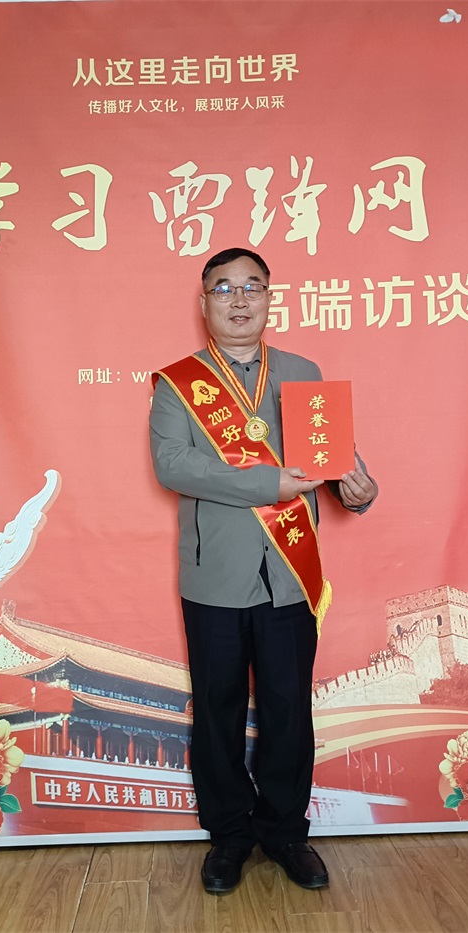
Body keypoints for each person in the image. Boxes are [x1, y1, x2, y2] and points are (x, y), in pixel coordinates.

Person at [149, 247, 376, 895]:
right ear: (205, 303)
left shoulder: (303, 372)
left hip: (290, 573)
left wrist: (358, 488)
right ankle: (228, 836)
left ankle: (285, 832)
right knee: (217, 709)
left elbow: (334, 455)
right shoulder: (177, 383)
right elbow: (175, 467)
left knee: (287, 707)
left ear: (271, 298)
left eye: (253, 286)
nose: (240, 298)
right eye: (224, 288)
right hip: (214, 576)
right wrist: (267, 483)